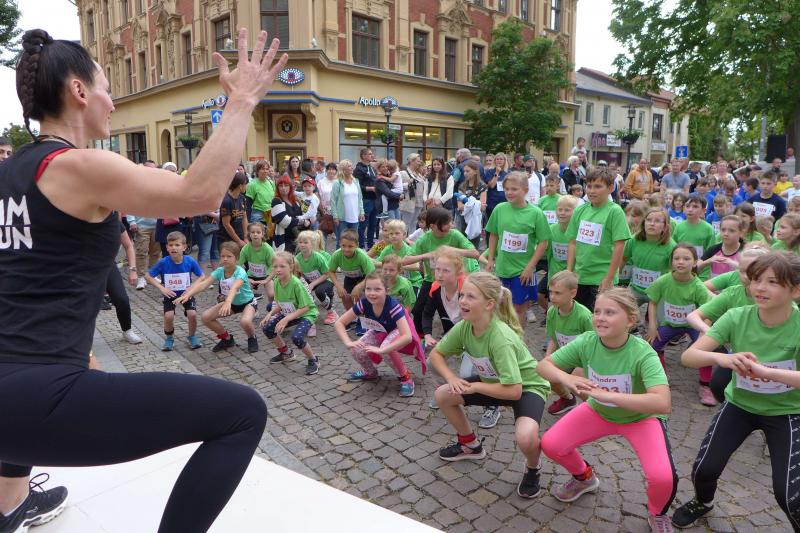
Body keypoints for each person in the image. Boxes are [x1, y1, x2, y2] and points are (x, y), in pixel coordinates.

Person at [0, 27, 286, 533]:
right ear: (79, 91)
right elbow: (200, 193)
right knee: (242, 413)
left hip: (17, 394)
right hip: (35, 397)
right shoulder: (78, 166)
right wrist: (242, 100)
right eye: (107, 88)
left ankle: (10, 506)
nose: (112, 103)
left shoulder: (7, 173)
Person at [673, 252, 800, 531]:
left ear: (795, 290)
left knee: (790, 496)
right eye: (756, 280)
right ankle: (703, 502)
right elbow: (688, 357)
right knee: (704, 470)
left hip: (787, 412)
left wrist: (767, 373)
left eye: (772, 282)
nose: (760, 288)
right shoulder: (736, 316)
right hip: (740, 405)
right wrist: (724, 358)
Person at [538, 288, 676, 532]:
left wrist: (608, 395)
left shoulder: (643, 352)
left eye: (610, 313)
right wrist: (567, 379)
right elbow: (543, 366)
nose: (600, 318)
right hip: (598, 412)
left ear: (630, 321)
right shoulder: (587, 341)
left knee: (662, 477)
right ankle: (584, 478)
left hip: (641, 419)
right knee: (551, 444)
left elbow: (662, 402)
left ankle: (658, 513)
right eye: (597, 312)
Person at [429, 272, 551, 499]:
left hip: (526, 387)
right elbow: (436, 355)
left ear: (489, 304)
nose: (462, 301)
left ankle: (533, 467)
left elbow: (514, 391)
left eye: (471, 297)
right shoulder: (465, 326)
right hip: (494, 383)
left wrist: (475, 387)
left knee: (525, 437)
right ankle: (470, 445)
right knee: (443, 395)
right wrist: (451, 378)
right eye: (462, 295)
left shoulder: (500, 338)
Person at [645, 244, 712, 404]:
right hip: (670, 324)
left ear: (695, 262)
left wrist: (704, 332)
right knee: (651, 345)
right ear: (671, 262)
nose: (681, 262)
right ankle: (661, 378)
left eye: (686, 259)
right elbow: (652, 302)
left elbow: (709, 309)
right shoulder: (663, 281)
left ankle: (705, 385)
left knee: (706, 348)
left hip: (693, 325)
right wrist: (653, 325)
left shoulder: (698, 286)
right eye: (677, 258)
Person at [336, 271, 418, 396]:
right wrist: (348, 342)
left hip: (398, 330)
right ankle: (370, 372)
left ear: (386, 290)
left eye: (377, 289)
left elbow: (407, 336)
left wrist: (381, 350)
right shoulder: (364, 303)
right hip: (380, 330)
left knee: (387, 348)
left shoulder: (393, 306)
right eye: (368, 289)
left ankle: (405, 378)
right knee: (356, 349)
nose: (372, 293)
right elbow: (339, 323)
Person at [485, 171, 551, 323]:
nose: (509, 192)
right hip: (502, 269)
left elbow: (543, 242)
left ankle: (518, 336)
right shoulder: (499, 209)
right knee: (501, 307)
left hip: (523, 271)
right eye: (507, 189)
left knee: (519, 308)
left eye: (514, 189)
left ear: (525, 190)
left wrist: (530, 267)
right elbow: (493, 234)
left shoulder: (536, 213)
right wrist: (490, 259)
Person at [403, 207, 480, 334]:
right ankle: (423, 336)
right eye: (445, 223)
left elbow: (475, 253)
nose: (450, 225)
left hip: (454, 280)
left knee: (453, 311)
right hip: (432, 280)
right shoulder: (424, 240)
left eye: (450, 222)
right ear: (432, 226)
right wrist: (427, 255)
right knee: (418, 310)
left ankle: (457, 335)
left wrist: (451, 250)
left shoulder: (454, 235)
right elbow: (405, 260)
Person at [566, 168, 632, 310]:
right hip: (580, 276)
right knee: (580, 315)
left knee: (599, 317)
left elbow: (619, 246)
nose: (591, 191)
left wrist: (609, 278)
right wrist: (569, 271)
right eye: (589, 186)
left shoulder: (614, 211)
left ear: (610, 188)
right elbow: (572, 243)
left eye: (597, 186)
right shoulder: (580, 210)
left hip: (601, 277)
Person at [176, 241, 259, 353]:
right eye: (223, 256)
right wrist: (187, 295)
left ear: (236, 258)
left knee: (245, 321)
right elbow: (204, 284)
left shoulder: (240, 272)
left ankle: (252, 337)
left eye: (229, 256)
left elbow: (235, 287)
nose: (225, 259)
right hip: (231, 303)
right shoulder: (220, 271)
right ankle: (227, 339)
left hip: (248, 303)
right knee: (206, 317)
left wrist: (227, 302)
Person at [259, 252, 319, 374]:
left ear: (291, 267)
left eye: (282, 266)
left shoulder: (296, 284)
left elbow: (305, 307)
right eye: (275, 266)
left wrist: (286, 319)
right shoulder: (276, 281)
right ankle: (286, 353)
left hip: (306, 314)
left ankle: (313, 360)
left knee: (296, 337)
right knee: (267, 328)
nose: (278, 269)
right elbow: (280, 304)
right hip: (290, 312)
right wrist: (270, 314)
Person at [543, 270, 593, 416]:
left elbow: (595, 345)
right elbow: (554, 339)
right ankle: (568, 399)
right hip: (566, 356)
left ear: (573, 293)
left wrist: (582, 366)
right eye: (550, 292)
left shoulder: (584, 316)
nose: (552, 297)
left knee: (578, 382)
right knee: (548, 372)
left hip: (586, 359)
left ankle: (592, 407)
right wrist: (547, 358)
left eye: (558, 293)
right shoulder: (552, 312)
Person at [145, 231, 206, 351]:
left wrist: (191, 288)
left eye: (177, 245)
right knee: (168, 316)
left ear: (184, 247)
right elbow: (148, 276)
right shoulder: (163, 262)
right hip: (170, 294)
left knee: (192, 314)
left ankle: (192, 336)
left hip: (186, 294)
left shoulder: (190, 261)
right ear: (167, 247)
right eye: (171, 245)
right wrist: (162, 288)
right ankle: (169, 338)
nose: (174, 248)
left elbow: (202, 276)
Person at [622, 208, 675, 308]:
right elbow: (623, 259)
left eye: (657, 221)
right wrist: (613, 279)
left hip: (659, 293)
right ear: (643, 223)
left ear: (665, 227)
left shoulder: (671, 246)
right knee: (624, 313)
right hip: (635, 289)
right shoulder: (634, 240)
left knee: (656, 317)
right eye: (649, 220)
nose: (652, 224)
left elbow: (674, 271)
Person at [327, 229, 375, 335]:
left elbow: (372, 274)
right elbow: (331, 271)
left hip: (365, 277)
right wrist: (338, 286)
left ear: (356, 245)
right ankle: (351, 317)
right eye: (343, 246)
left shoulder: (362, 255)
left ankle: (363, 321)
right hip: (349, 277)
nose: (346, 249)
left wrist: (358, 287)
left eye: (350, 246)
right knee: (345, 296)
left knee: (359, 296)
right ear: (340, 244)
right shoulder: (337, 255)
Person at [295, 230, 336, 329]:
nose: (302, 245)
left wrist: (312, 284)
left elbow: (327, 274)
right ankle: (310, 313)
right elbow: (298, 274)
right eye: (300, 242)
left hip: (326, 279)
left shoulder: (318, 257)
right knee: (301, 290)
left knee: (319, 291)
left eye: (305, 242)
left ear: (312, 244)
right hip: (310, 280)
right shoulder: (297, 258)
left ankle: (331, 312)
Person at [673, 196, 717, 280]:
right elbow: (673, 248)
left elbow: (710, 253)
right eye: (687, 206)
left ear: (703, 210)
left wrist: (703, 272)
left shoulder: (708, 229)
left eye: (695, 206)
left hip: (701, 274)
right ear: (683, 208)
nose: (690, 209)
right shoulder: (679, 227)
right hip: (681, 271)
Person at [271, 174, 310, 252]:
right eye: (281, 186)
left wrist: (307, 221)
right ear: (277, 188)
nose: (283, 188)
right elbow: (285, 221)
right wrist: (303, 221)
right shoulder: (276, 201)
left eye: (286, 185)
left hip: (299, 240)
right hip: (284, 242)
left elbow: (306, 216)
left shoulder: (296, 200)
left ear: (290, 187)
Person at [330, 159, 364, 248]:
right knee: (341, 240)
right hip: (342, 218)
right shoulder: (337, 183)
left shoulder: (356, 181)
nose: (351, 168)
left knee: (354, 240)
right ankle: (338, 256)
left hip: (355, 216)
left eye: (351, 166)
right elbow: (333, 201)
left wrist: (361, 212)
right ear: (343, 169)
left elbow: (360, 198)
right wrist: (335, 216)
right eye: (349, 166)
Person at [696, 215, 743, 279]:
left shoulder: (746, 250)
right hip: (714, 285)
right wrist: (708, 261)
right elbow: (695, 269)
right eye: (723, 230)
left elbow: (752, 273)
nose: (726, 234)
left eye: (731, 231)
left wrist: (735, 265)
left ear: (741, 233)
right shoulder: (714, 249)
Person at [238, 222, 275, 298]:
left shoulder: (268, 249)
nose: (255, 234)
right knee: (241, 292)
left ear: (262, 234)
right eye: (253, 232)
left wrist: (266, 280)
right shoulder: (245, 248)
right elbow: (238, 265)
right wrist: (246, 278)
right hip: (251, 275)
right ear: (249, 234)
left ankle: (271, 305)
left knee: (271, 294)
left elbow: (274, 266)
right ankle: (250, 302)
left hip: (266, 275)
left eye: (258, 232)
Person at [354, 148, 378, 249]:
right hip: (365, 200)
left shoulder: (372, 168)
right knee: (363, 224)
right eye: (370, 154)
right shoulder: (358, 169)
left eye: (372, 154)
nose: (372, 156)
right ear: (363, 156)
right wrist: (370, 188)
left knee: (373, 224)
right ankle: (361, 246)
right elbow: (357, 186)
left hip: (375, 199)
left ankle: (370, 245)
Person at [218, 172, 249, 249]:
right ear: (240, 186)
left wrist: (246, 236)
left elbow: (244, 217)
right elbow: (226, 224)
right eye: (245, 184)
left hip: (240, 236)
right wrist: (238, 241)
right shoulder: (226, 201)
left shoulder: (242, 198)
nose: (247, 186)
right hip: (227, 239)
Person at [246, 159, 275, 225]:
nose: (265, 171)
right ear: (257, 170)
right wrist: (248, 222)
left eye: (267, 169)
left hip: (270, 217)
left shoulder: (271, 183)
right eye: (262, 169)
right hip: (257, 218)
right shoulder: (252, 185)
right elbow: (248, 205)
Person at [484, 152, 510, 221]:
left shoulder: (508, 172)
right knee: (492, 222)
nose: (499, 161)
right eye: (497, 159)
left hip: (505, 202)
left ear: (505, 161)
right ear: (495, 161)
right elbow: (491, 185)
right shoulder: (490, 171)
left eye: (501, 159)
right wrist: (497, 172)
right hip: (493, 202)